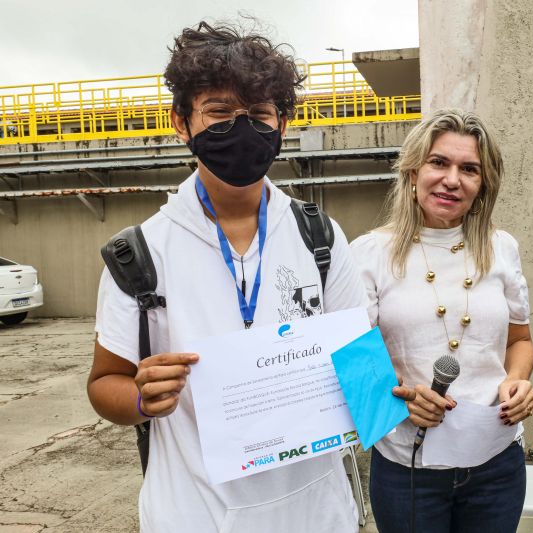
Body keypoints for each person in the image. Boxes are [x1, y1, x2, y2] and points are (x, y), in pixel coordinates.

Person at [86, 22, 366, 533]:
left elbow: (362, 372)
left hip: (316, 512)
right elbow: (106, 383)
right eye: (218, 111)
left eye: (258, 113)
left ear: (283, 124)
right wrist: (142, 399)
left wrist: (384, 394)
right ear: (181, 122)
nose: (240, 129)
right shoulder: (140, 253)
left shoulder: (319, 236)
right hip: (192, 514)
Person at [350, 108, 533, 533]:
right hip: (408, 469)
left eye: (469, 169)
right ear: (413, 172)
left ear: (482, 184)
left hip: (497, 463)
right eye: (439, 163)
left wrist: (518, 380)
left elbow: (520, 341)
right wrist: (399, 397)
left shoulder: (501, 248)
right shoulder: (368, 254)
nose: (452, 179)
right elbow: (352, 363)